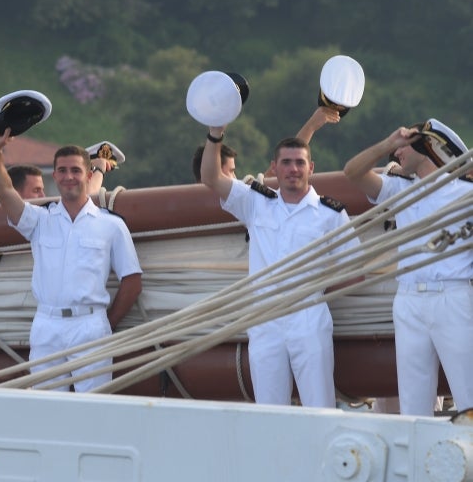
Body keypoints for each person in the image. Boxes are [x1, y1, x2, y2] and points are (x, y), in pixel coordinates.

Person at [200, 111, 359, 408]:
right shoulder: (256, 203)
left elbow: (356, 270)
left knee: (319, 409)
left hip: (308, 318)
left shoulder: (330, 214)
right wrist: (215, 134)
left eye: (300, 163)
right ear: (274, 168)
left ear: (311, 167)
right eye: (286, 162)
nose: (293, 169)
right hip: (266, 320)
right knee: (270, 414)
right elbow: (210, 177)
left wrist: (318, 292)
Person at [0, 128, 143, 392]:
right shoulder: (39, 220)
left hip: (91, 325)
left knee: (95, 410)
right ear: (55, 176)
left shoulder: (111, 225)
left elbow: (132, 281)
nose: (68, 177)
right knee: (47, 412)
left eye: (75, 170)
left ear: (90, 175)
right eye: (62, 171)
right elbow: (4, 191)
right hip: (47, 325)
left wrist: (105, 324)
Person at [343, 119, 472, 417]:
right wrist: (388, 143)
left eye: (404, 148)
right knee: (413, 406)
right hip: (409, 300)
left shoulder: (466, 194)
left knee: (468, 396)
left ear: (426, 147)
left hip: (452, 297)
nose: (397, 154)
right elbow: (353, 172)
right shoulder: (399, 189)